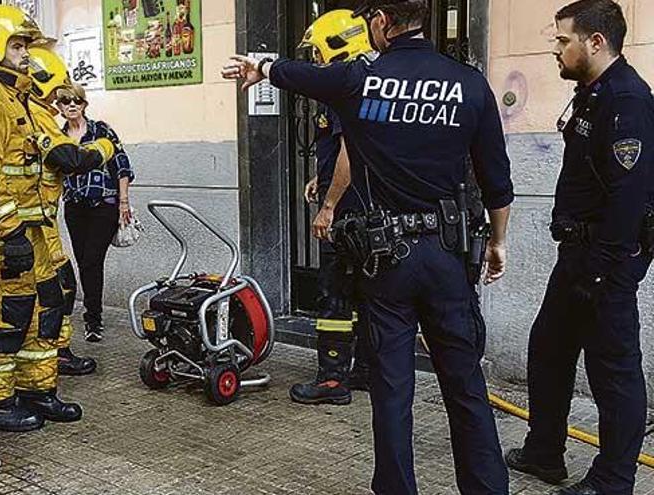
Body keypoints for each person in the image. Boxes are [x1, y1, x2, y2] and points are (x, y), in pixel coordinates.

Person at [222, 0, 514, 493]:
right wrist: (499, 243)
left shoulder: (359, 81)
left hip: (388, 258)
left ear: (380, 22)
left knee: (394, 389)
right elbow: (497, 181)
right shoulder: (469, 83)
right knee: (466, 387)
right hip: (448, 254)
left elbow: (305, 74)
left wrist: (262, 66)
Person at [503, 2, 654, 494]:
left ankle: (613, 480)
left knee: (614, 373)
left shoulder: (627, 99)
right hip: (577, 257)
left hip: (605, 263)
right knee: (548, 349)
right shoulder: (592, 95)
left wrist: (602, 271)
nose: (555, 48)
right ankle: (545, 451)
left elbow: (630, 198)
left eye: (563, 40)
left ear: (595, 42)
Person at [0, 4, 107, 432]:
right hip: (2, 235)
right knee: (8, 315)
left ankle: (38, 391)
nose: (26, 54)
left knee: (46, 308)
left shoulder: (15, 98)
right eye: (17, 45)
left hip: (34, 230)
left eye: (25, 45)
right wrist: (10, 230)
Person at [288, 9, 373, 406]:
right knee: (367, 293)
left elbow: (349, 152)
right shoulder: (368, 79)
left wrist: (329, 206)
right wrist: (320, 180)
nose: (315, 60)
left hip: (347, 214)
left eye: (316, 51)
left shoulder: (343, 85)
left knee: (335, 296)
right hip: (366, 211)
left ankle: (333, 380)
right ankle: (368, 371)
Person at [25, 46, 115, 376]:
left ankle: (57, 351)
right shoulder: (37, 118)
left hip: (40, 219)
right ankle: (51, 354)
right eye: (58, 96)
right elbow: (71, 160)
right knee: (54, 288)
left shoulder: (28, 112)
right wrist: (103, 148)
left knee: (61, 284)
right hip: (30, 221)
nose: (61, 103)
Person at [57, 84, 135, 343]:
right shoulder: (58, 137)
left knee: (91, 260)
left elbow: (122, 165)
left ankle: (93, 319)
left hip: (104, 205)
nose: (71, 105)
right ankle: (92, 314)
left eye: (76, 101)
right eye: (65, 101)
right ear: (59, 107)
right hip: (75, 207)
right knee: (84, 262)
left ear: (84, 105)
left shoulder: (101, 130)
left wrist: (123, 202)